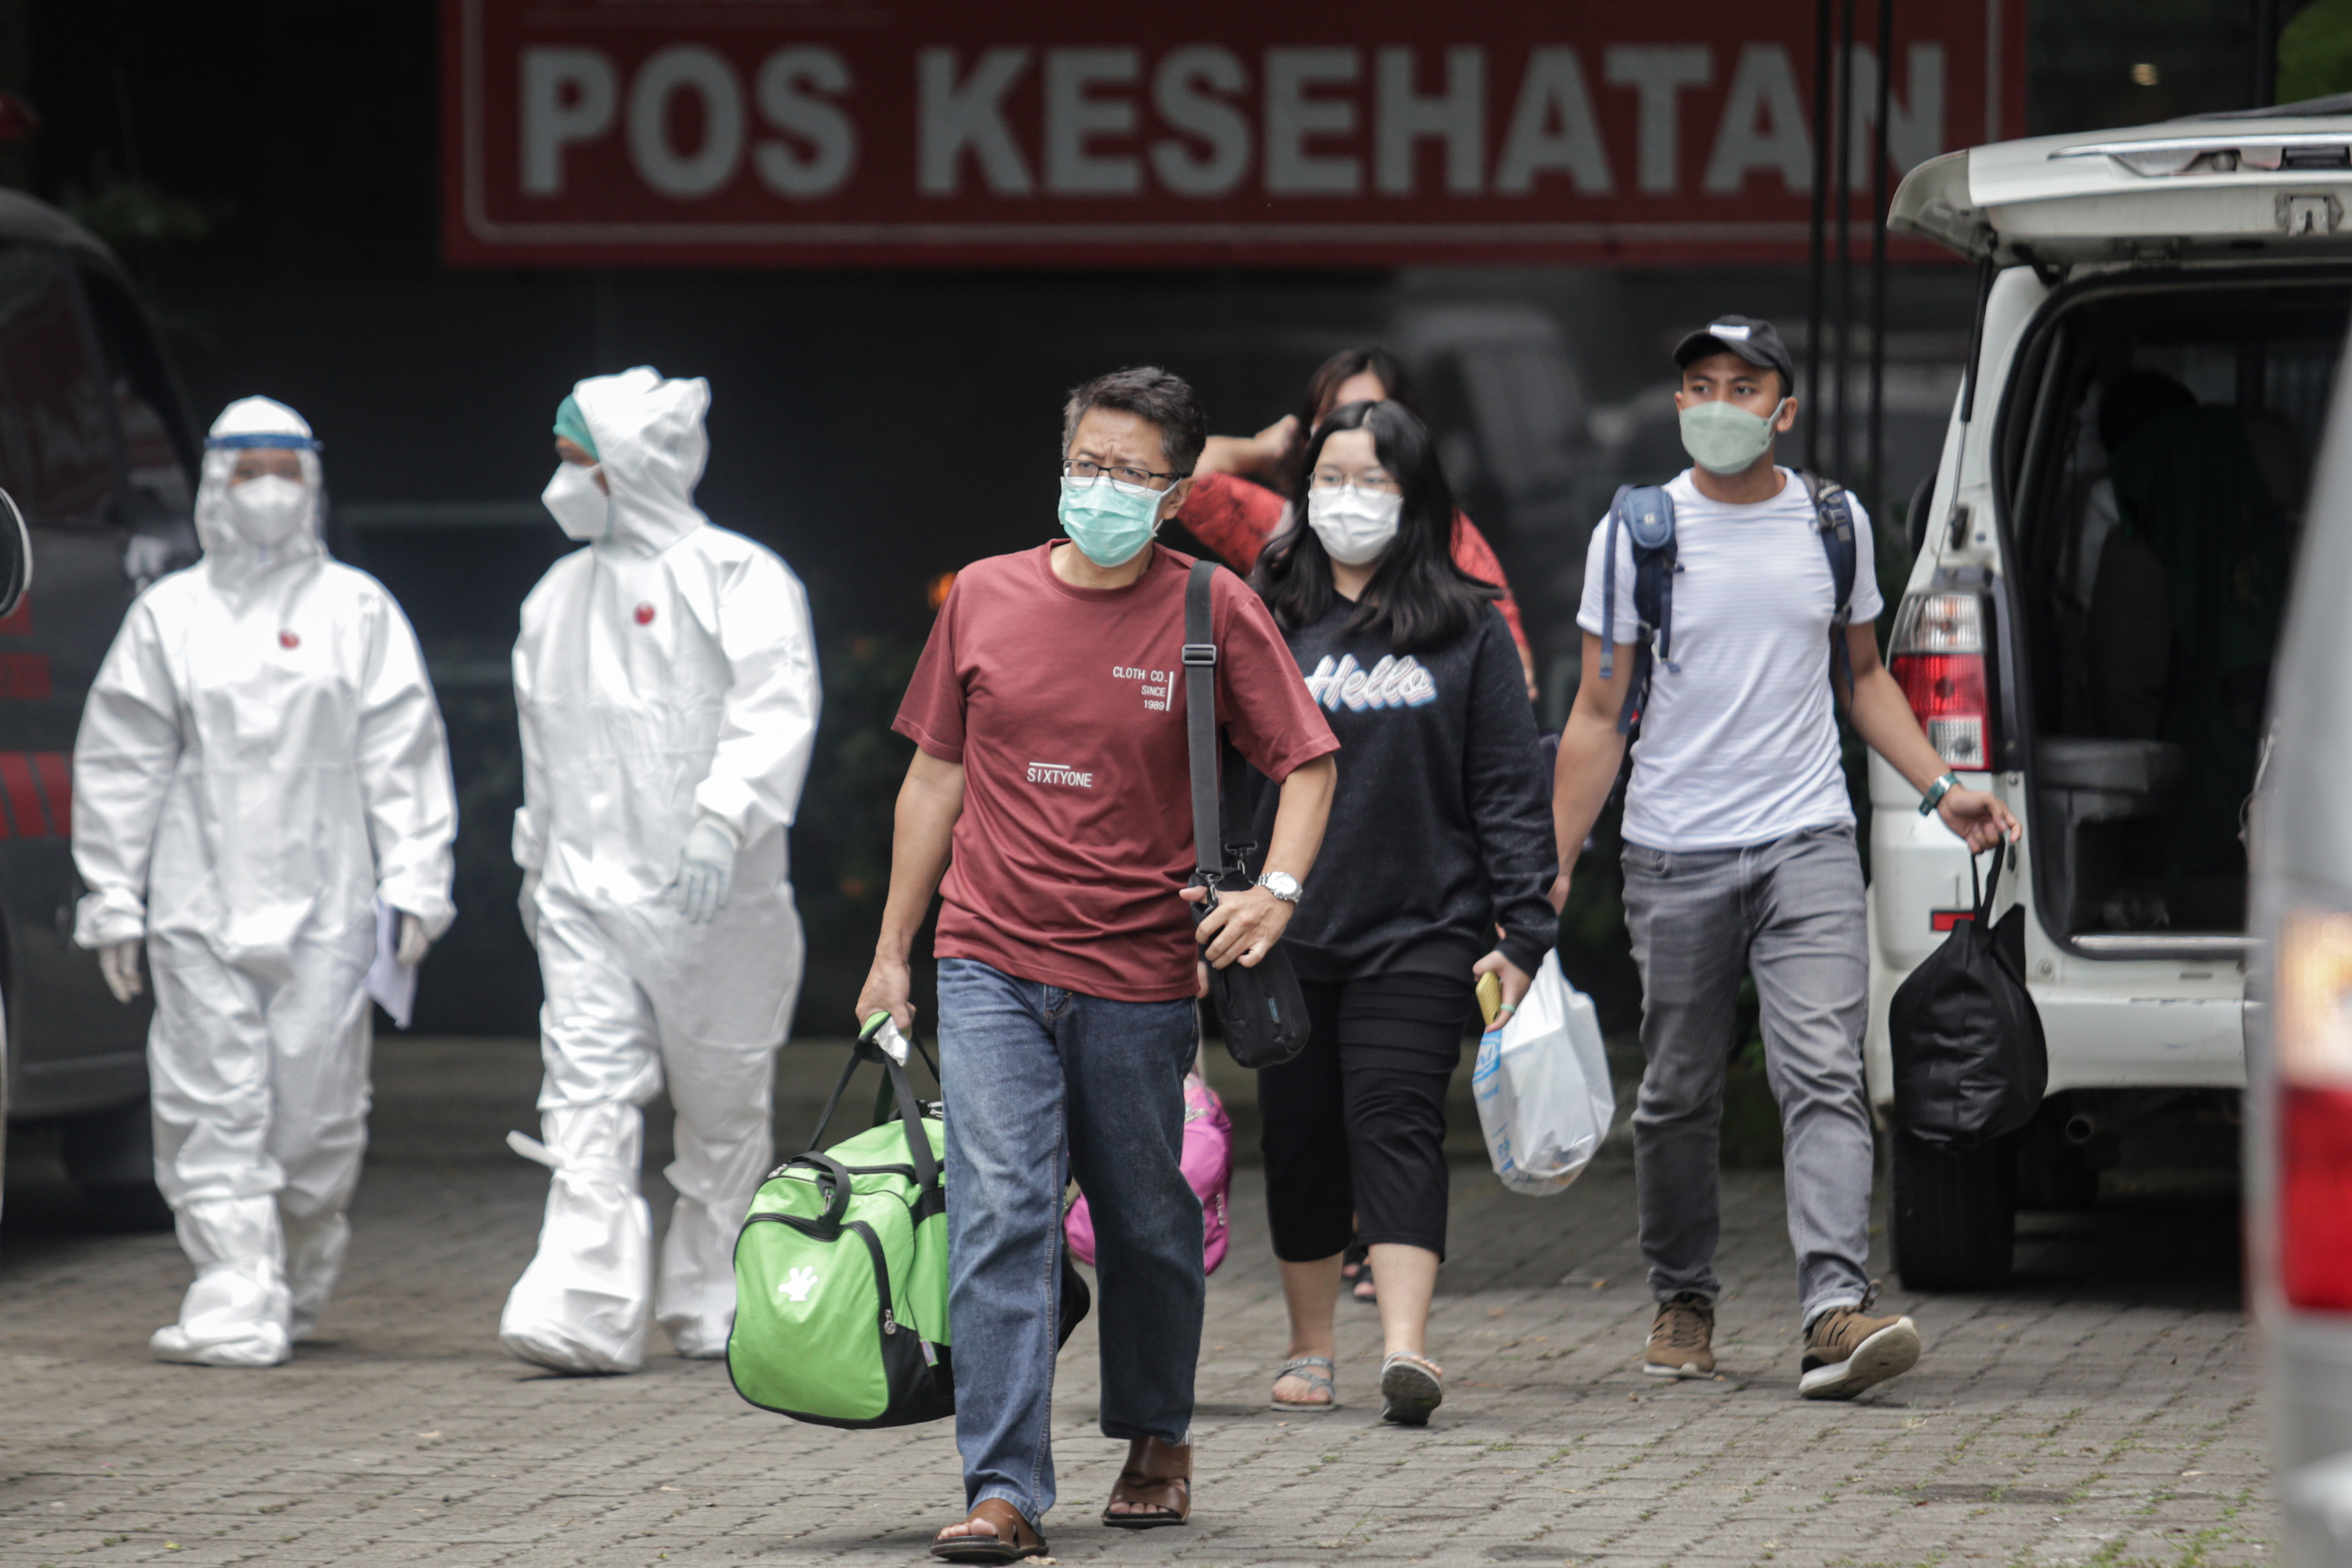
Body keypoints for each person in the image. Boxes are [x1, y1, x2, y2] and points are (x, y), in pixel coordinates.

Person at [859, 366, 1338, 1560]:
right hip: (986, 955)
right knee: (1001, 1212)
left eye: (1132, 472)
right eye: (1089, 461)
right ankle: (1006, 1486)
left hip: (1136, 971)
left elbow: (1307, 759)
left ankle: (1154, 1431)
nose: (1104, 486)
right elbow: (934, 776)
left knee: (1141, 1220)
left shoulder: (1209, 607)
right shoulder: (981, 596)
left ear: (1175, 493)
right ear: (1060, 461)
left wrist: (1271, 895)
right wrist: (890, 953)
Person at [1550, 317, 2020, 1400]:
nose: (1720, 402)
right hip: (1674, 853)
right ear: (1679, 405)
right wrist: (1554, 858)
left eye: (1743, 384)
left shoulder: (1832, 521)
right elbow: (1598, 708)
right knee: (1674, 1094)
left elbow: (1861, 676)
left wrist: (1942, 787)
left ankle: (1831, 1310)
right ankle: (1684, 1295)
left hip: (1808, 839)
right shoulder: (1638, 531)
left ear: (1783, 409)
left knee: (1824, 1072)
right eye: (1700, 385)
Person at [72, 394, 458, 1368]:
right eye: (251, 472)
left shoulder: (356, 609)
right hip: (200, 897)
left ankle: (289, 1264)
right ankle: (229, 1279)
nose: (271, 491)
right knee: (211, 1096)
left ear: (314, 480)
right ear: (214, 484)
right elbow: (124, 758)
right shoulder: (170, 615)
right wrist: (112, 891)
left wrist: (417, 874)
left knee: (317, 1110)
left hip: (327, 906)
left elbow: (401, 749)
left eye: (288, 469)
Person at [499, 367, 820, 1375]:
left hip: (715, 899)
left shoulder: (741, 577)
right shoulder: (556, 598)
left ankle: (712, 1287)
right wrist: (538, 859)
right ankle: (584, 1301)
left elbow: (776, 705)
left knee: (722, 1100)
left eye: (573, 462)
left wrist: (723, 820)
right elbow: (547, 745)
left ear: (627, 468)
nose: (559, 483)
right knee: (585, 1089)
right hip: (588, 892)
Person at [1247, 399, 1556, 1425]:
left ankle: (1406, 1348)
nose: (1349, 498)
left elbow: (1510, 787)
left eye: (1373, 479)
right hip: (1279, 935)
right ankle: (1308, 1346)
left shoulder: (1467, 625)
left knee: (1397, 1123)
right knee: (1299, 1139)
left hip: (1424, 928)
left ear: (1415, 496)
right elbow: (1215, 767)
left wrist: (1524, 933)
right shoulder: (1264, 614)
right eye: (1330, 477)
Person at [1178, 347, 1539, 698]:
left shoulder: (1441, 534)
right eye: (1333, 413)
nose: (1354, 424)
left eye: (1373, 410)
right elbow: (1178, 479)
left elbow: (1510, 670)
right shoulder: (1282, 528)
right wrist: (1261, 450)